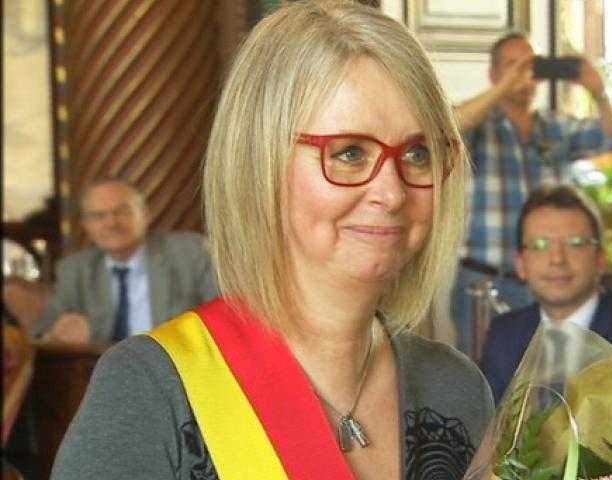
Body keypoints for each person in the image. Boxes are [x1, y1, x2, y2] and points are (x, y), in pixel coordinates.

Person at [51, 2, 493, 478]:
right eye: (349, 153)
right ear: (260, 163)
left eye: (419, 153)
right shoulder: (149, 388)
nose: (392, 193)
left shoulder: (457, 388)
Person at [451, 32, 612, 356]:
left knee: (556, 376)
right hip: (486, 283)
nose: (524, 74)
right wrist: (504, 87)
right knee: (482, 378)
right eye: (513, 65)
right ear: (494, 74)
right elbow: (447, 127)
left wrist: (599, 91)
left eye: (531, 65)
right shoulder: (480, 125)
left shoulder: (556, 126)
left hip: (549, 284)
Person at [479, 185, 612, 403]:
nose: (557, 259)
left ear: (601, 258)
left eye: (574, 244)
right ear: (520, 264)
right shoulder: (504, 333)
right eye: (541, 245)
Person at [25, 177, 219, 343]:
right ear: (86, 225)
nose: (111, 223)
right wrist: (56, 334)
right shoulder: (75, 270)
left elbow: (225, 315)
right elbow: (39, 334)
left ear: (145, 214)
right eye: (98, 216)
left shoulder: (190, 253)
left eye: (122, 211)